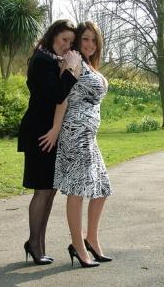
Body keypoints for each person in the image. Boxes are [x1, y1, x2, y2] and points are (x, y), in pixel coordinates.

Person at [39, 21, 113, 268]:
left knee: (102, 188)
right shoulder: (73, 60)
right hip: (75, 134)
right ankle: (78, 246)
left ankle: (91, 238)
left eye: (94, 40)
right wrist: (55, 129)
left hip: (89, 137)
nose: (90, 44)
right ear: (78, 41)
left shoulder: (89, 65)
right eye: (85, 39)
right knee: (77, 191)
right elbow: (63, 98)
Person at [17, 19, 81, 265]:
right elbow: (57, 94)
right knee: (42, 190)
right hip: (39, 133)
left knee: (50, 190)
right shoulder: (42, 61)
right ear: (53, 36)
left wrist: (66, 67)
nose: (67, 46)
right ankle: (34, 243)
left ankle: (38, 244)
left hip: (49, 132)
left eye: (71, 43)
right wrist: (71, 69)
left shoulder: (52, 60)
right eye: (64, 40)